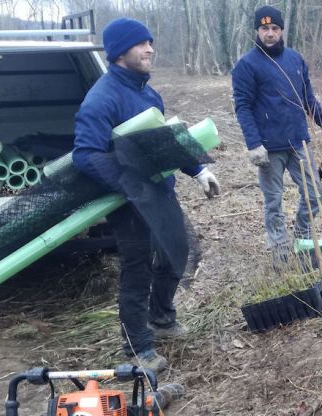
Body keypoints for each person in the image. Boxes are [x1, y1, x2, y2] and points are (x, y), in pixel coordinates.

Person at [72, 17, 221, 373]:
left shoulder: (148, 93)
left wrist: (199, 170)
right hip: (129, 200)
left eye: (150, 42)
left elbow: (163, 144)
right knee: (137, 269)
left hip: (158, 192)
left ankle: (161, 318)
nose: (150, 49)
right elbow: (85, 153)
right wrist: (127, 183)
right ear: (121, 51)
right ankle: (137, 347)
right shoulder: (101, 99)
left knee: (178, 252)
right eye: (142, 44)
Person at [232, 5, 322, 264]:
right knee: (274, 202)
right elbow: (243, 106)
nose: (269, 33)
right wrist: (254, 144)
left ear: (282, 30)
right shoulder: (246, 65)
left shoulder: (295, 59)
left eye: (274, 28)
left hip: (298, 141)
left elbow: (309, 99)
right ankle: (280, 249)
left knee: (315, 193)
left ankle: (302, 237)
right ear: (257, 31)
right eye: (264, 29)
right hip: (268, 148)